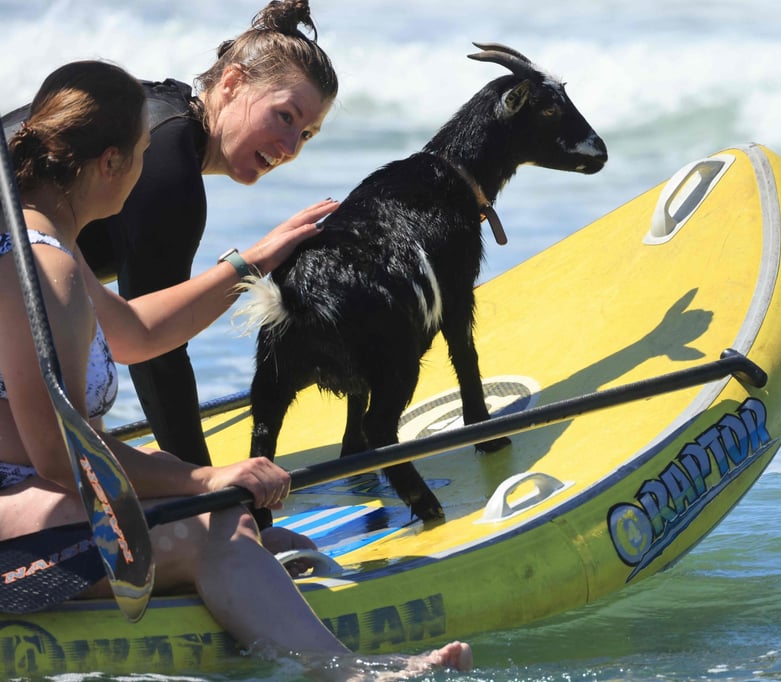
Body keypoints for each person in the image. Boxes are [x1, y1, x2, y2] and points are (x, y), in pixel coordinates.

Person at [0, 60, 472, 676]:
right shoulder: (45, 268)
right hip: (19, 516)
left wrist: (251, 262)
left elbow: (136, 333)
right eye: (143, 153)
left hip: (29, 497)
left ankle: (270, 592)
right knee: (210, 525)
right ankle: (348, 672)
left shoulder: (46, 244)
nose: (146, 169)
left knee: (243, 525)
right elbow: (60, 458)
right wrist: (203, 482)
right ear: (111, 163)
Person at [2, 0, 340, 468]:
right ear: (232, 82)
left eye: (306, 135)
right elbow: (152, 354)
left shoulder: (159, 118)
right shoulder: (166, 166)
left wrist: (253, 261)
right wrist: (207, 495)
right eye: (285, 116)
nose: (288, 148)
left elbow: (131, 331)